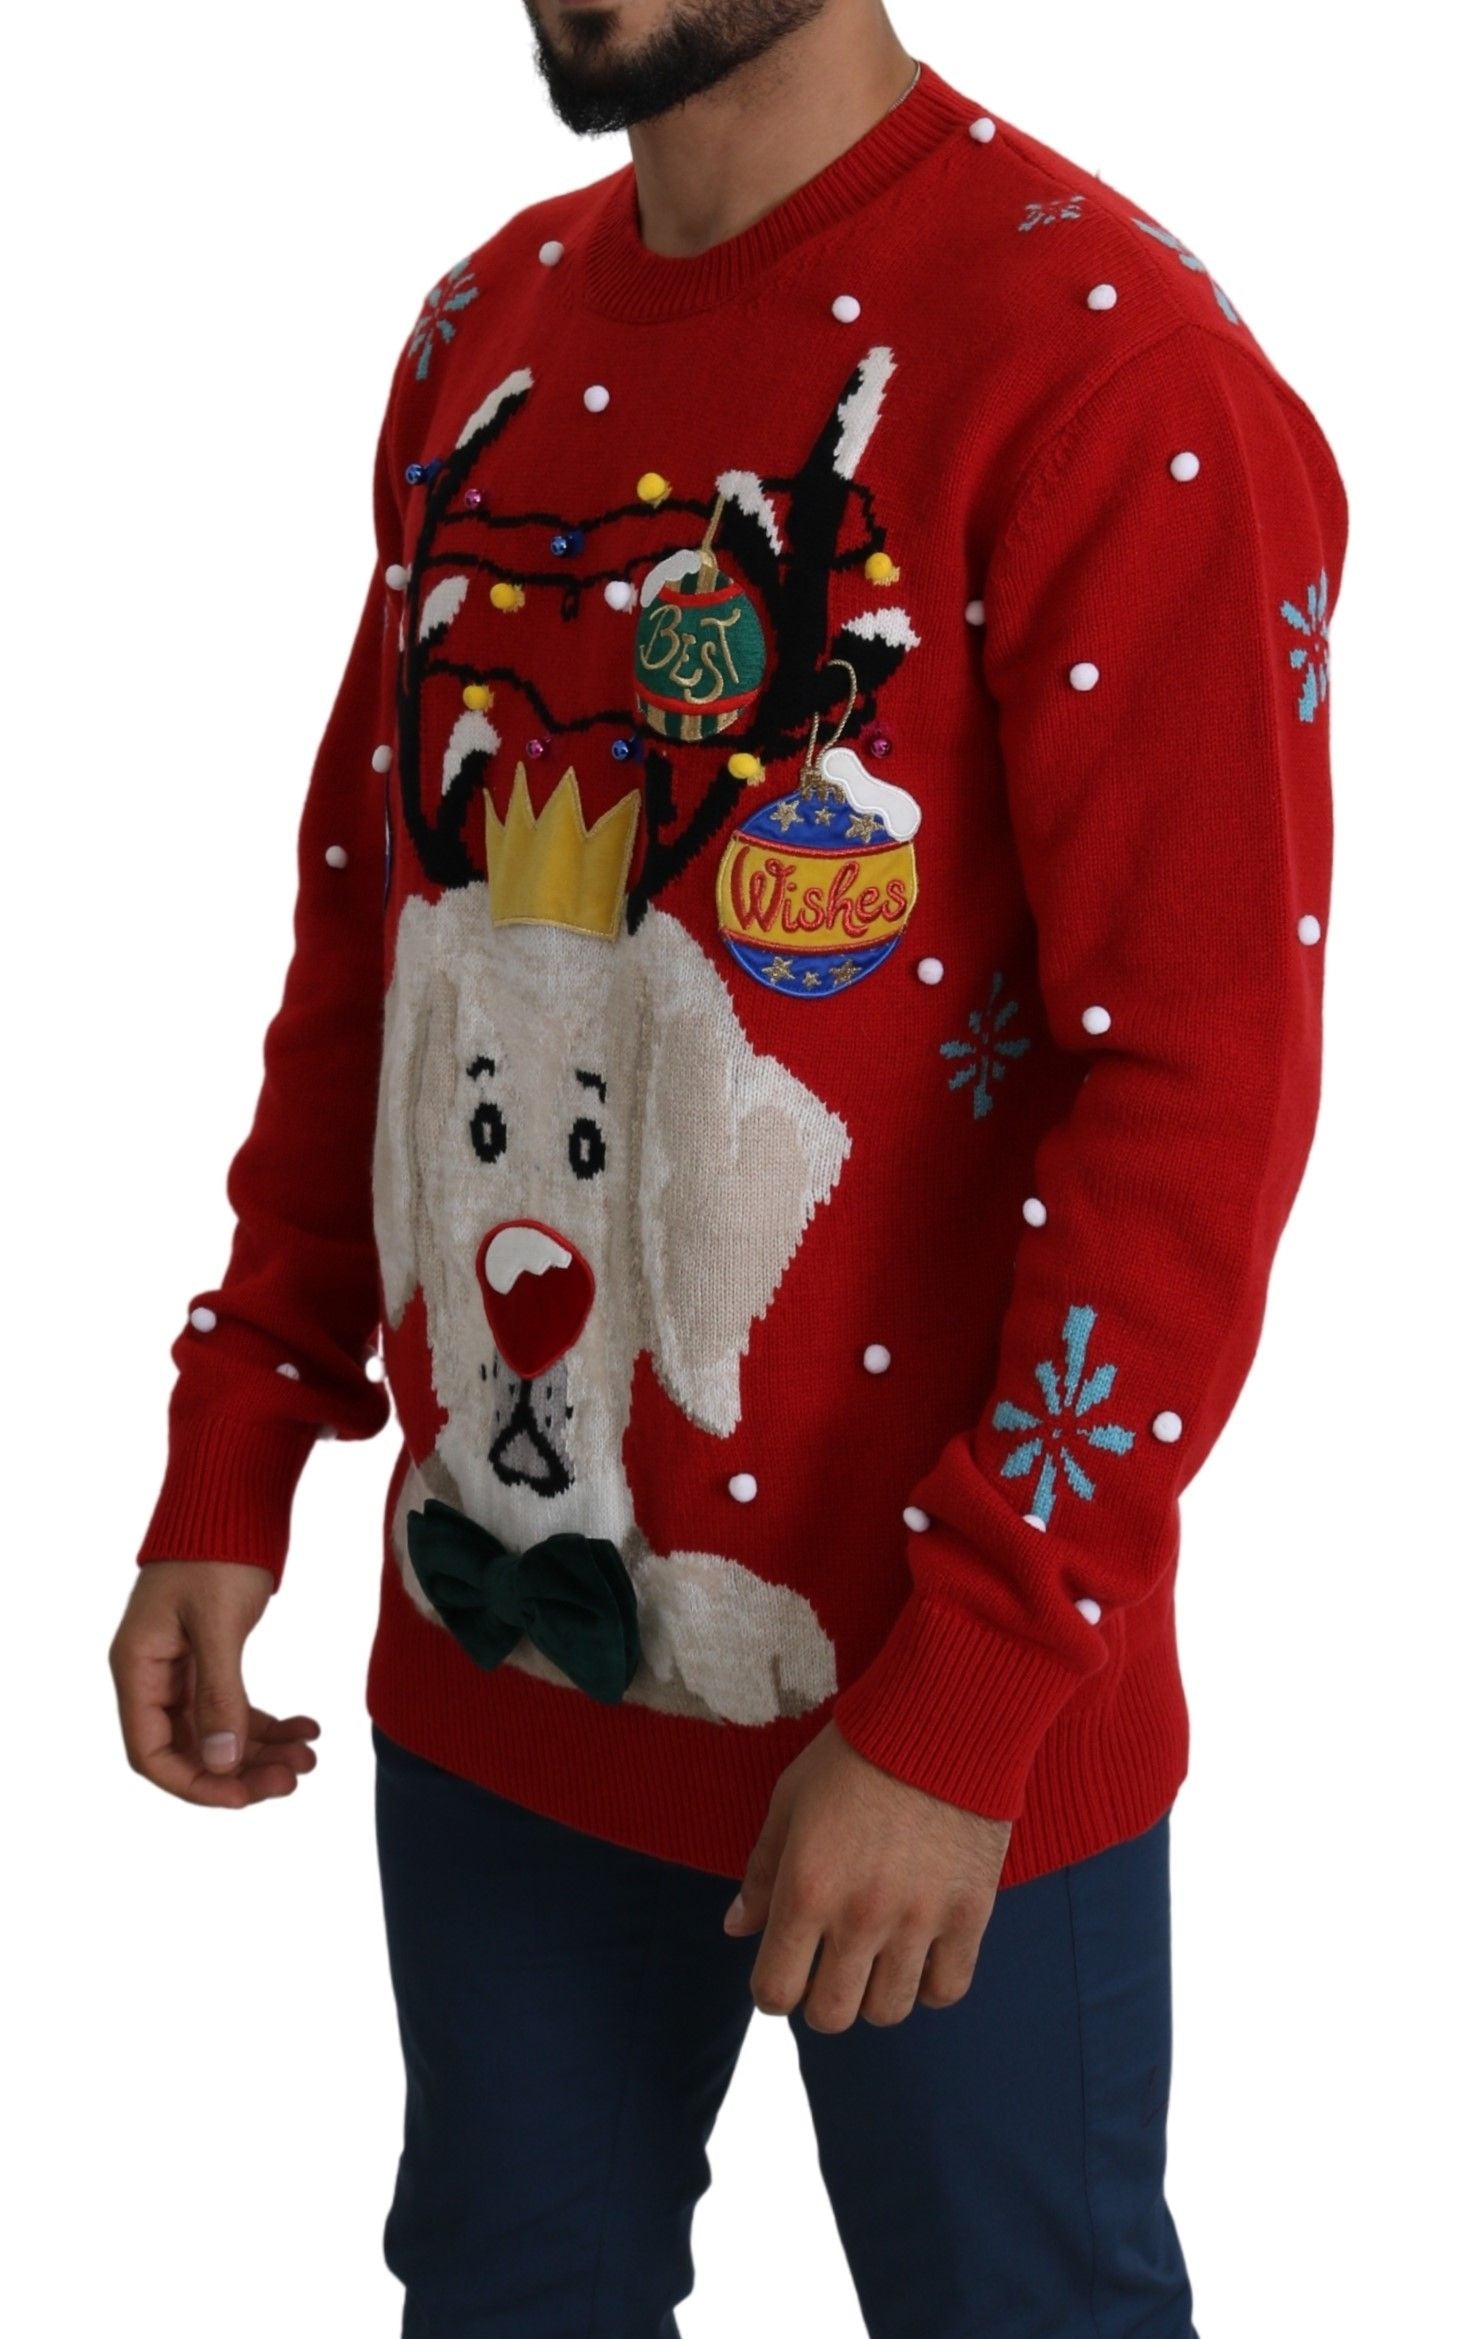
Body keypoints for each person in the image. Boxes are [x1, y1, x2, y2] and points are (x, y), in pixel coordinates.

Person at [110, 3, 1347, 2331]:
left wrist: (970, 1689)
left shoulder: (1112, 368)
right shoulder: (483, 335)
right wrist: (238, 1434)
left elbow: (1199, 1096)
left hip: (942, 1715)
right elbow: (379, 945)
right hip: (500, 1655)